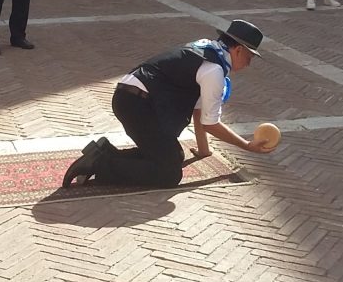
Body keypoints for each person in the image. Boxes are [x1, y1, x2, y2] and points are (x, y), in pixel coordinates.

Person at [62, 19, 275, 188]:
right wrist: (246, 146)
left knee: (172, 156)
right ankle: (99, 164)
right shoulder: (215, 70)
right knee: (168, 173)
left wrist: (204, 151)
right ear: (237, 49)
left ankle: (104, 152)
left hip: (132, 96)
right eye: (249, 57)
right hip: (136, 103)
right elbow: (211, 123)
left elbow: (200, 110)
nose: (249, 63)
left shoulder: (209, 50)